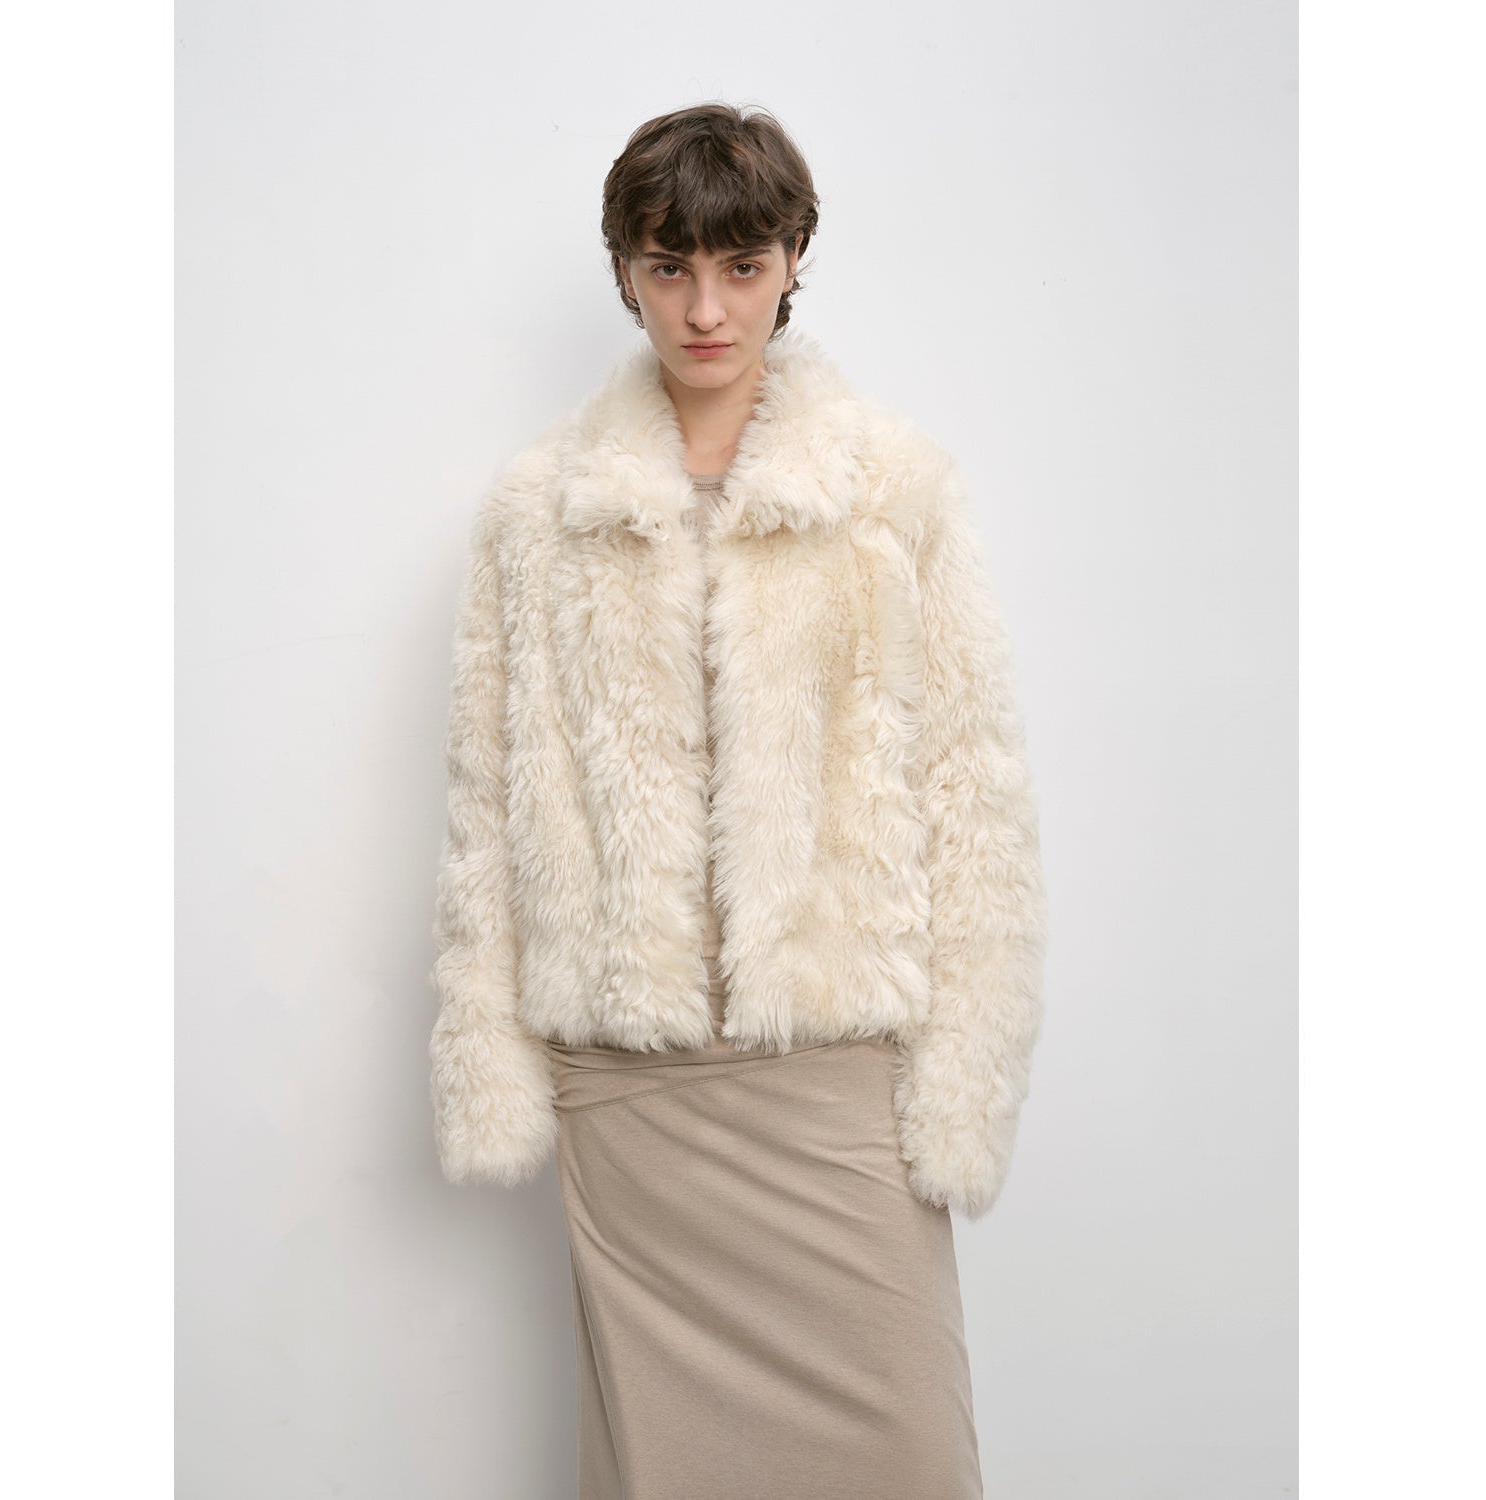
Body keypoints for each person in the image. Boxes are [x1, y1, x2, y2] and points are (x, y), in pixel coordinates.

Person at [427, 101, 1047, 1500]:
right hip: (629, 1085)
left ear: (793, 259)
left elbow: (974, 794)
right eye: (669, 268)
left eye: (742, 266)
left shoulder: (891, 490)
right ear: (626, 271)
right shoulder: (538, 509)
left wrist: (963, 1082)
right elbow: (488, 807)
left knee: (908, 1458)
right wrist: (494, 1062)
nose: (706, 309)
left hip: (831, 1070)